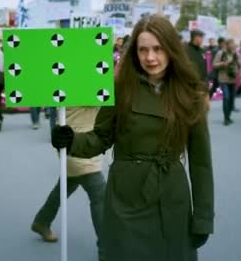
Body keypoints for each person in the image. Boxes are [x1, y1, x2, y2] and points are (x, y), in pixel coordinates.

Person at [51, 15, 214, 260]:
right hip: (125, 198)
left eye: (158, 49)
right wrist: (70, 140)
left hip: (171, 200)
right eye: (143, 50)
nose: (150, 57)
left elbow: (201, 164)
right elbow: (99, 138)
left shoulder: (190, 95)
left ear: (171, 49)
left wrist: (203, 217)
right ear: (135, 53)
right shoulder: (120, 89)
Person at [31, 107, 106, 260]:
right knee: (99, 195)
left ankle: (41, 221)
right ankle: (106, 248)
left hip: (77, 142)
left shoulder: (69, 84)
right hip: (78, 144)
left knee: (65, 186)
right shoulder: (87, 85)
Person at [213, 39, 241, 125]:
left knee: (231, 99)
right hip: (223, 79)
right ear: (227, 45)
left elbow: (240, 64)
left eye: (234, 45)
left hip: (232, 80)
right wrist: (223, 63)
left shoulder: (235, 54)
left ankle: (228, 117)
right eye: (231, 45)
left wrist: (239, 67)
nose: (233, 46)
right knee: (226, 98)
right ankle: (226, 119)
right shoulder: (221, 53)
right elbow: (214, 65)